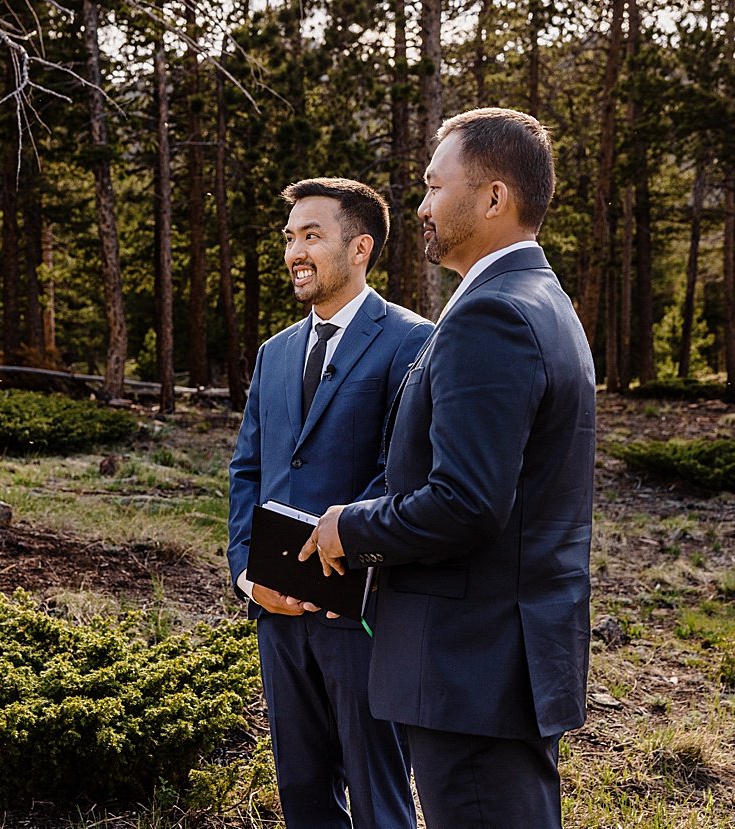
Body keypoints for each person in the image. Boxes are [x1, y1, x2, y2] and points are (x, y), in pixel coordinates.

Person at [303, 108, 596, 828]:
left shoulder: (490, 315)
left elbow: (466, 501)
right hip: (502, 661)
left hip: (473, 666)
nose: (423, 206)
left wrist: (350, 527)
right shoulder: (540, 299)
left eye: (435, 187)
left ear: (495, 198)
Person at [226, 177, 428, 829]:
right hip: (278, 620)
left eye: (311, 235)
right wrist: (246, 575)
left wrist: (326, 565)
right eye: (289, 237)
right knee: (303, 797)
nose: (294, 252)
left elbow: (401, 475)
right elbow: (248, 472)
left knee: (380, 804)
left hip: (367, 620)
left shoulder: (413, 342)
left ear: (360, 247)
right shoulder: (276, 352)